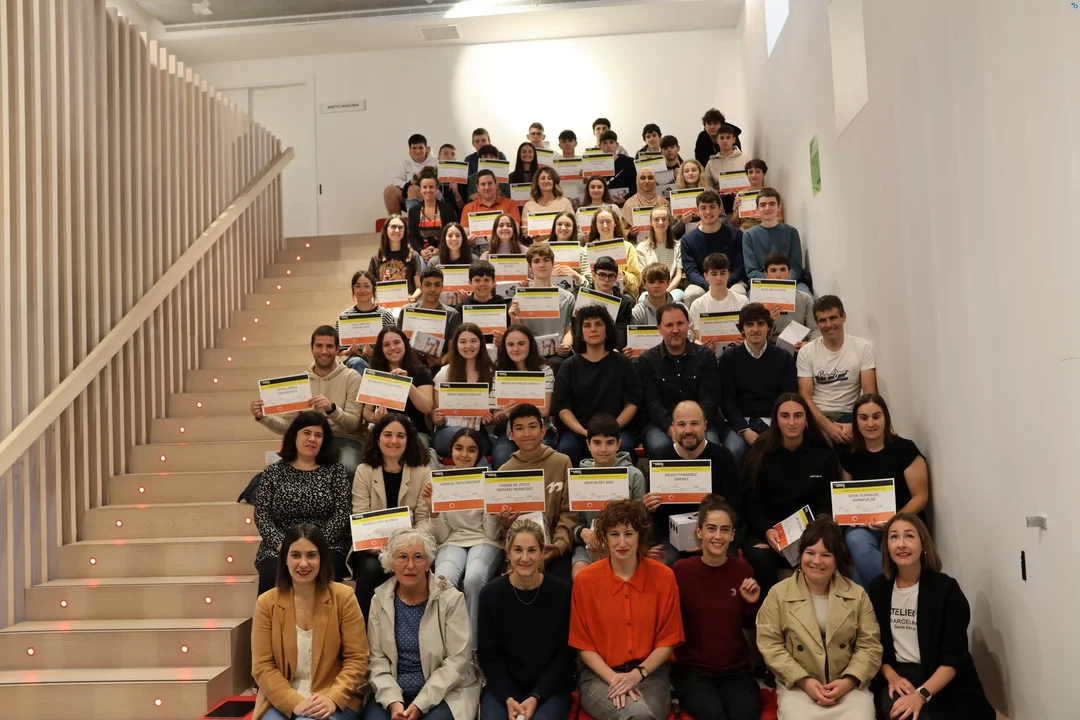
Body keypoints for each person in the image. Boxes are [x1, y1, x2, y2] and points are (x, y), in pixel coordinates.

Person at [868, 515, 996, 720]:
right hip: (900, 675)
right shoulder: (878, 588)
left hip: (942, 675)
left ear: (923, 544)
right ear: (887, 547)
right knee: (903, 714)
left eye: (909, 536)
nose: (901, 544)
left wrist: (921, 694)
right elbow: (873, 645)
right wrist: (891, 676)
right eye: (894, 537)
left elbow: (954, 655)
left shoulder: (946, 589)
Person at [569, 499, 685, 720]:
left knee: (641, 714)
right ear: (604, 537)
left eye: (629, 534)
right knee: (638, 715)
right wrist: (615, 679)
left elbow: (669, 640)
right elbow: (583, 646)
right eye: (614, 534)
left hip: (649, 675)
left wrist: (637, 674)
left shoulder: (664, 577)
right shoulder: (585, 580)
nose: (622, 542)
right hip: (600, 677)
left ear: (640, 536)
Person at [756, 518, 882, 719]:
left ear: (836, 560)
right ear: (801, 554)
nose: (816, 561)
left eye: (826, 555)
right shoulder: (778, 594)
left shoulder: (857, 594)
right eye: (810, 552)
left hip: (847, 686)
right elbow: (770, 645)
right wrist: (804, 681)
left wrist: (849, 681)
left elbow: (870, 646)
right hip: (798, 685)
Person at [251, 524, 368, 720]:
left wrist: (332, 697)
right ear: (285, 559)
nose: (303, 563)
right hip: (281, 698)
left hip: (334, 698)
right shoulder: (266, 603)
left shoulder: (344, 597)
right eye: (296, 555)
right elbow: (262, 666)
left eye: (311, 555)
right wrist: (294, 702)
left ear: (322, 558)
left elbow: (357, 659)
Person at [364, 528, 481, 720]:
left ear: (428, 563)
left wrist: (420, 704)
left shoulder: (451, 599)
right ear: (391, 562)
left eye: (418, 557)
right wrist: (393, 701)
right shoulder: (379, 600)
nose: (410, 565)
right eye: (402, 557)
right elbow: (377, 660)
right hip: (393, 689)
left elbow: (457, 662)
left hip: (445, 692)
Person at [671, 496, 763, 720]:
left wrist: (752, 603)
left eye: (725, 530)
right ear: (699, 531)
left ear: (732, 535)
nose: (718, 536)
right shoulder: (681, 571)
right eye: (711, 529)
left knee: (744, 714)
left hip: (736, 671)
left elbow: (749, 624)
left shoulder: (743, 570)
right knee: (713, 715)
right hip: (693, 671)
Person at [478, 518, 575, 720]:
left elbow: (564, 655)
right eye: (518, 550)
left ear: (542, 552)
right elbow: (489, 655)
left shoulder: (561, 592)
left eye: (532, 550)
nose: (525, 558)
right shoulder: (490, 594)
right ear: (508, 553)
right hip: (503, 688)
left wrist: (536, 696)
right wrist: (508, 697)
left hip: (550, 688)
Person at [743, 394, 838, 598]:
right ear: (776, 420)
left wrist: (809, 535)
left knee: (819, 554)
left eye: (798, 416)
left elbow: (826, 504)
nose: (792, 422)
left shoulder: (824, 455)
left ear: (807, 420)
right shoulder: (759, 453)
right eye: (785, 416)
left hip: (810, 531)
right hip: (767, 530)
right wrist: (766, 531)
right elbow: (750, 503)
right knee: (762, 559)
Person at [420, 428, 502, 648]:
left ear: (478, 454)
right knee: (443, 578)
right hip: (452, 540)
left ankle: (473, 648)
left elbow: (492, 533)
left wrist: (491, 507)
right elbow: (442, 535)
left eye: (471, 450)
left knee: (474, 579)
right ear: (451, 451)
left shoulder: (487, 479)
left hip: (484, 539)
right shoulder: (441, 480)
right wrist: (433, 510)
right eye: (459, 448)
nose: (464, 454)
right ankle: (444, 646)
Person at [253, 413, 352, 595]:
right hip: (281, 545)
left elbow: (342, 513)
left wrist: (315, 545)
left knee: (325, 575)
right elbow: (262, 515)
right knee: (272, 576)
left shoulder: (335, 471)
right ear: (294, 436)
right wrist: (284, 545)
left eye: (318, 435)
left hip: (326, 544)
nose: (312, 439)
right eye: (306, 433)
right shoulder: (273, 472)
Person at [252, 325, 366, 477]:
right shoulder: (301, 381)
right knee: (274, 474)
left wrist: (331, 409)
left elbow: (352, 424)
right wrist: (263, 417)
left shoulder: (352, 377)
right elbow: (289, 427)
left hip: (343, 439)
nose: (324, 351)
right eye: (319, 346)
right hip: (308, 442)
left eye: (329, 346)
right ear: (312, 348)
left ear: (337, 349)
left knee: (349, 468)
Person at [841, 395, 930, 588]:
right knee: (856, 541)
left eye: (876, 416)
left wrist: (892, 521)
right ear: (856, 422)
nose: (870, 423)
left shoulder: (905, 449)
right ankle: (892, 591)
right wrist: (851, 516)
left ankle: (872, 597)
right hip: (864, 526)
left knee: (888, 547)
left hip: (904, 519)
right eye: (863, 418)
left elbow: (921, 497)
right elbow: (846, 497)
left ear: (886, 418)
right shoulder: (850, 454)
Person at [351, 413, 433, 619]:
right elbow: (360, 514)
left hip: (410, 546)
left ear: (409, 440)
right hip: (372, 548)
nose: (394, 441)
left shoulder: (422, 471)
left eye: (400, 436)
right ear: (377, 437)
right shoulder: (364, 471)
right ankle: (363, 632)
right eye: (388, 435)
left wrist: (410, 545)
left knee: (411, 566)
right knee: (371, 569)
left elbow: (423, 518)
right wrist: (374, 546)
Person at [646, 401, 743, 566]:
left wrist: (706, 537)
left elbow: (734, 507)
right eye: (681, 424)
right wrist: (648, 507)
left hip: (715, 534)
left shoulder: (723, 457)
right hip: (672, 539)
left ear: (705, 426)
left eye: (694, 424)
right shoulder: (660, 458)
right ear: (673, 427)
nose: (688, 430)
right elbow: (657, 519)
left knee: (729, 564)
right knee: (663, 564)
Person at [553, 305, 641, 465]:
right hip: (578, 431)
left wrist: (611, 430)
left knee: (625, 446)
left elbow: (632, 404)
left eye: (598, 324)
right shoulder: (568, 366)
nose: (593, 329)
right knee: (567, 448)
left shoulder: (623, 364)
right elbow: (563, 409)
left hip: (617, 430)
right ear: (581, 332)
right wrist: (585, 432)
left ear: (607, 330)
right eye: (587, 325)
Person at [498, 403, 578, 579]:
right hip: (520, 552)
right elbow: (501, 526)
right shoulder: (504, 471)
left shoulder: (562, 462)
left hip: (555, 548)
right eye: (519, 428)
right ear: (511, 434)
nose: (527, 433)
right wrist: (505, 522)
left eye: (532, 427)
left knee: (561, 585)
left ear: (543, 431)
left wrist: (558, 546)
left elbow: (569, 513)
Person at [718, 303, 799, 467]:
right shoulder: (729, 358)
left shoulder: (784, 357)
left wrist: (774, 428)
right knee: (734, 450)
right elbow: (727, 401)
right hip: (741, 423)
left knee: (782, 449)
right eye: (749, 324)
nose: (755, 329)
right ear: (742, 329)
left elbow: (789, 398)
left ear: (769, 327)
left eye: (760, 323)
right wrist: (744, 430)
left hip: (775, 421)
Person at [637, 304, 721, 458]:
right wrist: (671, 428)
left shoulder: (706, 356)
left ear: (688, 325)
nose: (675, 330)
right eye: (669, 325)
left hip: (701, 423)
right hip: (661, 425)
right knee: (661, 447)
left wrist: (694, 427)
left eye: (680, 324)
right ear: (659, 328)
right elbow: (652, 403)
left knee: (710, 444)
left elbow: (709, 400)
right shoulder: (647, 360)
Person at [569, 415, 648, 579]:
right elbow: (571, 521)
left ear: (619, 444)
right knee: (580, 575)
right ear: (588, 444)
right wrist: (581, 532)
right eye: (597, 443)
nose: (603, 449)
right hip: (588, 543)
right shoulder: (577, 476)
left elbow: (640, 521)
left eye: (610, 443)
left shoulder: (635, 476)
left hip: (624, 543)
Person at [797, 296, 878, 445]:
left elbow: (870, 394)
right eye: (823, 320)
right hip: (819, 417)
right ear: (817, 323)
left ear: (843, 317)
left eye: (833, 318)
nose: (828, 325)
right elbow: (806, 397)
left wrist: (855, 426)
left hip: (851, 415)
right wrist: (828, 427)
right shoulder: (806, 352)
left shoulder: (863, 347)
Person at [490, 324, 557, 469]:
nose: (515, 349)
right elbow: (496, 416)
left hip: (540, 432)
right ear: (504, 347)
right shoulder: (499, 373)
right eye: (510, 345)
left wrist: (517, 411)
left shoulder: (545, 370)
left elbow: (546, 410)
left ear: (530, 345)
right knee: (501, 454)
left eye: (521, 344)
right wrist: (503, 414)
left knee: (541, 452)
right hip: (509, 434)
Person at [361, 327, 436, 448]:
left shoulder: (421, 372)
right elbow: (366, 411)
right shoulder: (375, 373)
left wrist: (407, 384)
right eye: (386, 345)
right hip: (384, 432)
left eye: (397, 342)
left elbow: (426, 408)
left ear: (405, 344)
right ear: (381, 349)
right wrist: (375, 417)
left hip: (415, 432)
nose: (392, 348)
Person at [431, 323, 496, 458]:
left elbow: (493, 414)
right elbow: (435, 412)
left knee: (473, 444)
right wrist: (437, 418)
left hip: (478, 433)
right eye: (463, 342)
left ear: (481, 343)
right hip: (447, 432)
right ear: (456, 345)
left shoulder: (491, 374)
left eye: (473, 341)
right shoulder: (444, 374)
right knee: (464, 438)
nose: (468, 346)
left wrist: (489, 419)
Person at [508, 244, 575, 369]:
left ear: (553, 263)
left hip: (558, 357)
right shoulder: (518, 299)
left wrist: (566, 345)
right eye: (536, 261)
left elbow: (569, 330)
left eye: (546, 260)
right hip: (529, 356)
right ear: (530, 266)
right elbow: (517, 333)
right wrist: (514, 320)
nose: (542, 265)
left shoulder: (568, 297)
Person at [681, 190, 746, 307]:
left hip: (732, 282)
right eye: (703, 208)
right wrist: (709, 285)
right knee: (691, 294)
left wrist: (725, 282)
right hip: (702, 283)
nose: (708, 211)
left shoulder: (736, 234)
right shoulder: (687, 240)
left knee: (739, 293)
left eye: (712, 207)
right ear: (697, 211)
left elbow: (740, 266)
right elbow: (691, 271)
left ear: (720, 209)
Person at [742, 188, 809, 293]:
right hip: (762, 284)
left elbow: (796, 267)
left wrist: (784, 283)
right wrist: (773, 283)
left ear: (779, 208)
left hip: (790, 282)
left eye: (772, 204)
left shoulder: (791, 232)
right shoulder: (748, 235)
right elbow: (752, 270)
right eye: (763, 205)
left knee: (807, 297)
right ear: (757, 209)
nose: (767, 208)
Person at [397, 266, 463, 368]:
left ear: (442, 287)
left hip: (439, 369)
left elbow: (453, 351)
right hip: (409, 367)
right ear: (421, 287)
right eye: (428, 285)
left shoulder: (452, 315)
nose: (432, 289)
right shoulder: (406, 311)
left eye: (437, 285)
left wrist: (442, 361)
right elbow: (398, 344)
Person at [339, 270, 399, 374]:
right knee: (356, 362)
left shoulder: (385, 315)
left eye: (367, 286)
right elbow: (339, 351)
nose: (362, 290)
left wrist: (375, 354)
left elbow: (394, 347)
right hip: (353, 365)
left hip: (381, 364)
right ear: (353, 289)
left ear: (373, 288)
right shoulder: (344, 317)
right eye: (358, 286)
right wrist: (347, 352)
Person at [580, 205, 643, 298]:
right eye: (601, 222)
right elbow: (585, 280)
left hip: (622, 295)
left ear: (615, 223)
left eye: (608, 221)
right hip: (595, 295)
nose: (605, 225)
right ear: (595, 225)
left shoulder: (628, 247)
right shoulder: (587, 249)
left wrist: (623, 275)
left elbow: (637, 280)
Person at [688, 253, 748, 348]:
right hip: (708, 354)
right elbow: (697, 338)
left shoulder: (742, 301)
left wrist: (744, 342)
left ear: (728, 274)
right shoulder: (697, 305)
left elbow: (747, 333)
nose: (719, 278)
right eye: (714, 274)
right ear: (706, 276)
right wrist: (703, 347)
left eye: (723, 273)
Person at [758, 252, 818, 348]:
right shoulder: (757, 302)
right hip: (769, 349)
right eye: (773, 270)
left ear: (789, 272)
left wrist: (808, 345)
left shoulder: (805, 299)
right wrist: (768, 321)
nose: (778, 275)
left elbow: (815, 330)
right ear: (766, 274)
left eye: (783, 270)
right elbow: (753, 335)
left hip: (799, 348)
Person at [407, 167, 458, 262]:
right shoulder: (413, 211)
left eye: (431, 187)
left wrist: (439, 249)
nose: (428, 190)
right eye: (424, 187)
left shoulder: (447, 209)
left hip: (444, 252)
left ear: (437, 188)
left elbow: (452, 233)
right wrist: (421, 251)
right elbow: (412, 237)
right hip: (422, 254)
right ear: (420, 189)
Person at [583, 256, 635, 349]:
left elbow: (621, 330)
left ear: (616, 277)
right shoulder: (583, 297)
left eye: (610, 276)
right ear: (593, 275)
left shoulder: (624, 302)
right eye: (602, 275)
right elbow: (578, 328)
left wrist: (615, 350)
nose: (606, 280)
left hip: (612, 349)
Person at [635, 206, 684, 302]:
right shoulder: (641, 247)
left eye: (664, 219)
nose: (660, 222)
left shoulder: (678, 246)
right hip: (650, 290)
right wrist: (655, 291)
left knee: (675, 299)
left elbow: (678, 275)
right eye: (656, 219)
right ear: (651, 223)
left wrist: (666, 291)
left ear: (669, 222)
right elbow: (642, 276)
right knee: (642, 299)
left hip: (672, 289)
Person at [460, 170, 520, 245]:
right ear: (478, 188)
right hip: (477, 247)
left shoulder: (511, 204)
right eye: (483, 184)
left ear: (496, 185)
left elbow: (516, 232)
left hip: (505, 246)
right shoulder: (468, 208)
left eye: (490, 183)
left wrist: (499, 240)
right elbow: (465, 235)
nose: (487, 187)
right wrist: (468, 241)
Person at [367, 215, 422, 295]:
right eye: (393, 226)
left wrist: (413, 298)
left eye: (400, 227)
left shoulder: (413, 256)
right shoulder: (376, 258)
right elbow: (370, 287)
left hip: (408, 301)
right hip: (384, 302)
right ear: (386, 229)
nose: (397, 230)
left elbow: (419, 287)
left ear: (405, 231)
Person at [384, 133, 437, 216]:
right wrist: (409, 185)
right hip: (409, 196)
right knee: (389, 191)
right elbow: (394, 180)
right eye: (414, 148)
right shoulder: (405, 164)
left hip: (431, 196)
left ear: (426, 149)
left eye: (420, 148)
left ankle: (413, 222)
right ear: (410, 150)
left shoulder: (436, 162)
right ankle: (396, 221)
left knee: (413, 189)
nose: (418, 151)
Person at [704, 123, 746, 216]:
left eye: (728, 137)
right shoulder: (711, 163)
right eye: (722, 138)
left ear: (734, 139)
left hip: (743, 203)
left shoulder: (745, 159)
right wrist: (715, 192)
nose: (725, 141)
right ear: (717, 140)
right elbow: (707, 186)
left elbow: (752, 182)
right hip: (721, 206)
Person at [521, 166, 575, 236]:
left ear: (554, 181)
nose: (546, 181)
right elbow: (525, 233)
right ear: (537, 182)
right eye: (543, 178)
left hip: (560, 242)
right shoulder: (528, 206)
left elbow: (573, 227)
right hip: (536, 243)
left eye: (549, 178)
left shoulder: (565, 203)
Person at [621, 168, 669, 241]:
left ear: (655, 181)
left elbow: (671, 227)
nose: (647, 181)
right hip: (637, 244)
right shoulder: (629, 203)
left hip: (662, 242)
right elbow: (622, 230)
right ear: (637, 181)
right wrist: (630, 233)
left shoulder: (664, 202)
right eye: (643, 178)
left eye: (650, 178)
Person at [632, 263, 679, 327]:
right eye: (651, 282)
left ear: (668, 283)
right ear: (644, 284)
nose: (656, 286)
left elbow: (689, 331)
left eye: (661, 282)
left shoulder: (680, 310)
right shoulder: (638, 312)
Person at [597, 130, 637, 204]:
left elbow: (635, 184)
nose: (608, 146)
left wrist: (625, 198)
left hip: (627, 204)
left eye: (611, 142)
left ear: (617, 144)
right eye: (605, 143)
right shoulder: (596, 165)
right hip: (604, 204)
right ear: (600, 146)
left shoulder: (629, 162)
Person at [733, 159, 771, 230]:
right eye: (750, 172)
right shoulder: (740, 195)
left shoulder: (770, 193)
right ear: (747, 175)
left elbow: (780, 218)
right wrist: (738, 210)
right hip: (745, 231)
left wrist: (765, 218)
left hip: (766, 229)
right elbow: (734, 224)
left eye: (758, 172)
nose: (754, 175)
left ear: (764, 174)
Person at [436, 143, 465, 213]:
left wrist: (456, 193)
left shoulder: (462, 178)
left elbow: (462, 208)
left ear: (455, 158)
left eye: (452, 154)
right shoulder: (432, 175)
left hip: (454, 214)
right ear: (438, 157)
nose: (449, 156)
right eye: (446, 154)